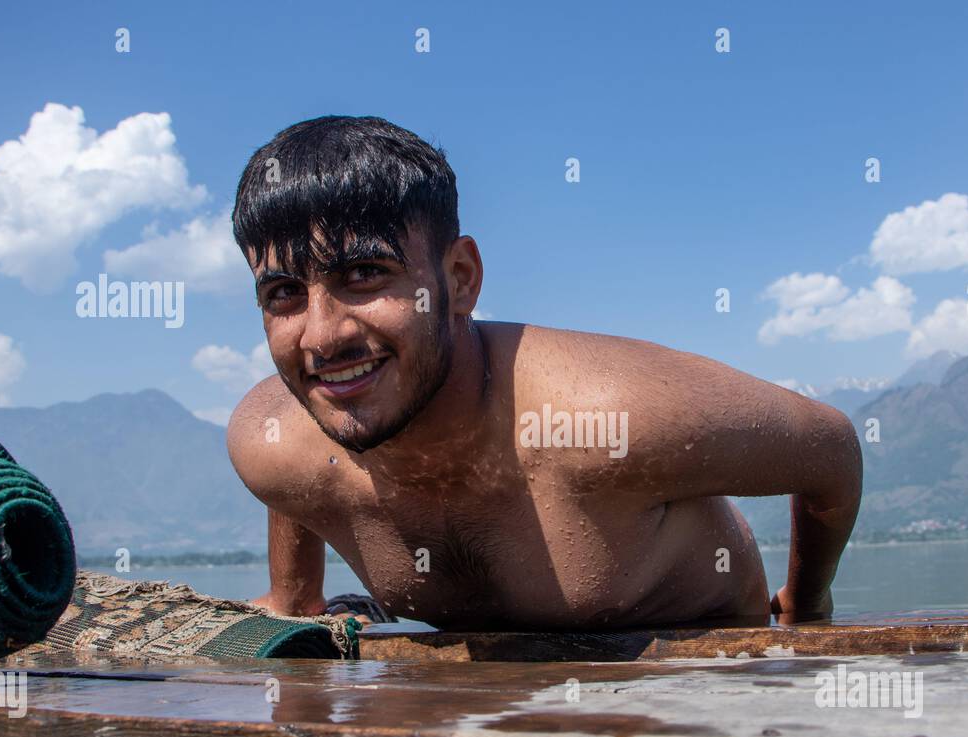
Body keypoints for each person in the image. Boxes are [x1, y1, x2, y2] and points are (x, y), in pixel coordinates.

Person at [227, 116, 861, 631]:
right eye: (283, 291)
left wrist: (806, 607)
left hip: (702, 666)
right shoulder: (274, 442)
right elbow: (292, 480)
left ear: (459, 280)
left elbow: (830, 451)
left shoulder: (605, 421)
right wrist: (292, 594)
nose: (322, 336)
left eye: (364, 275)